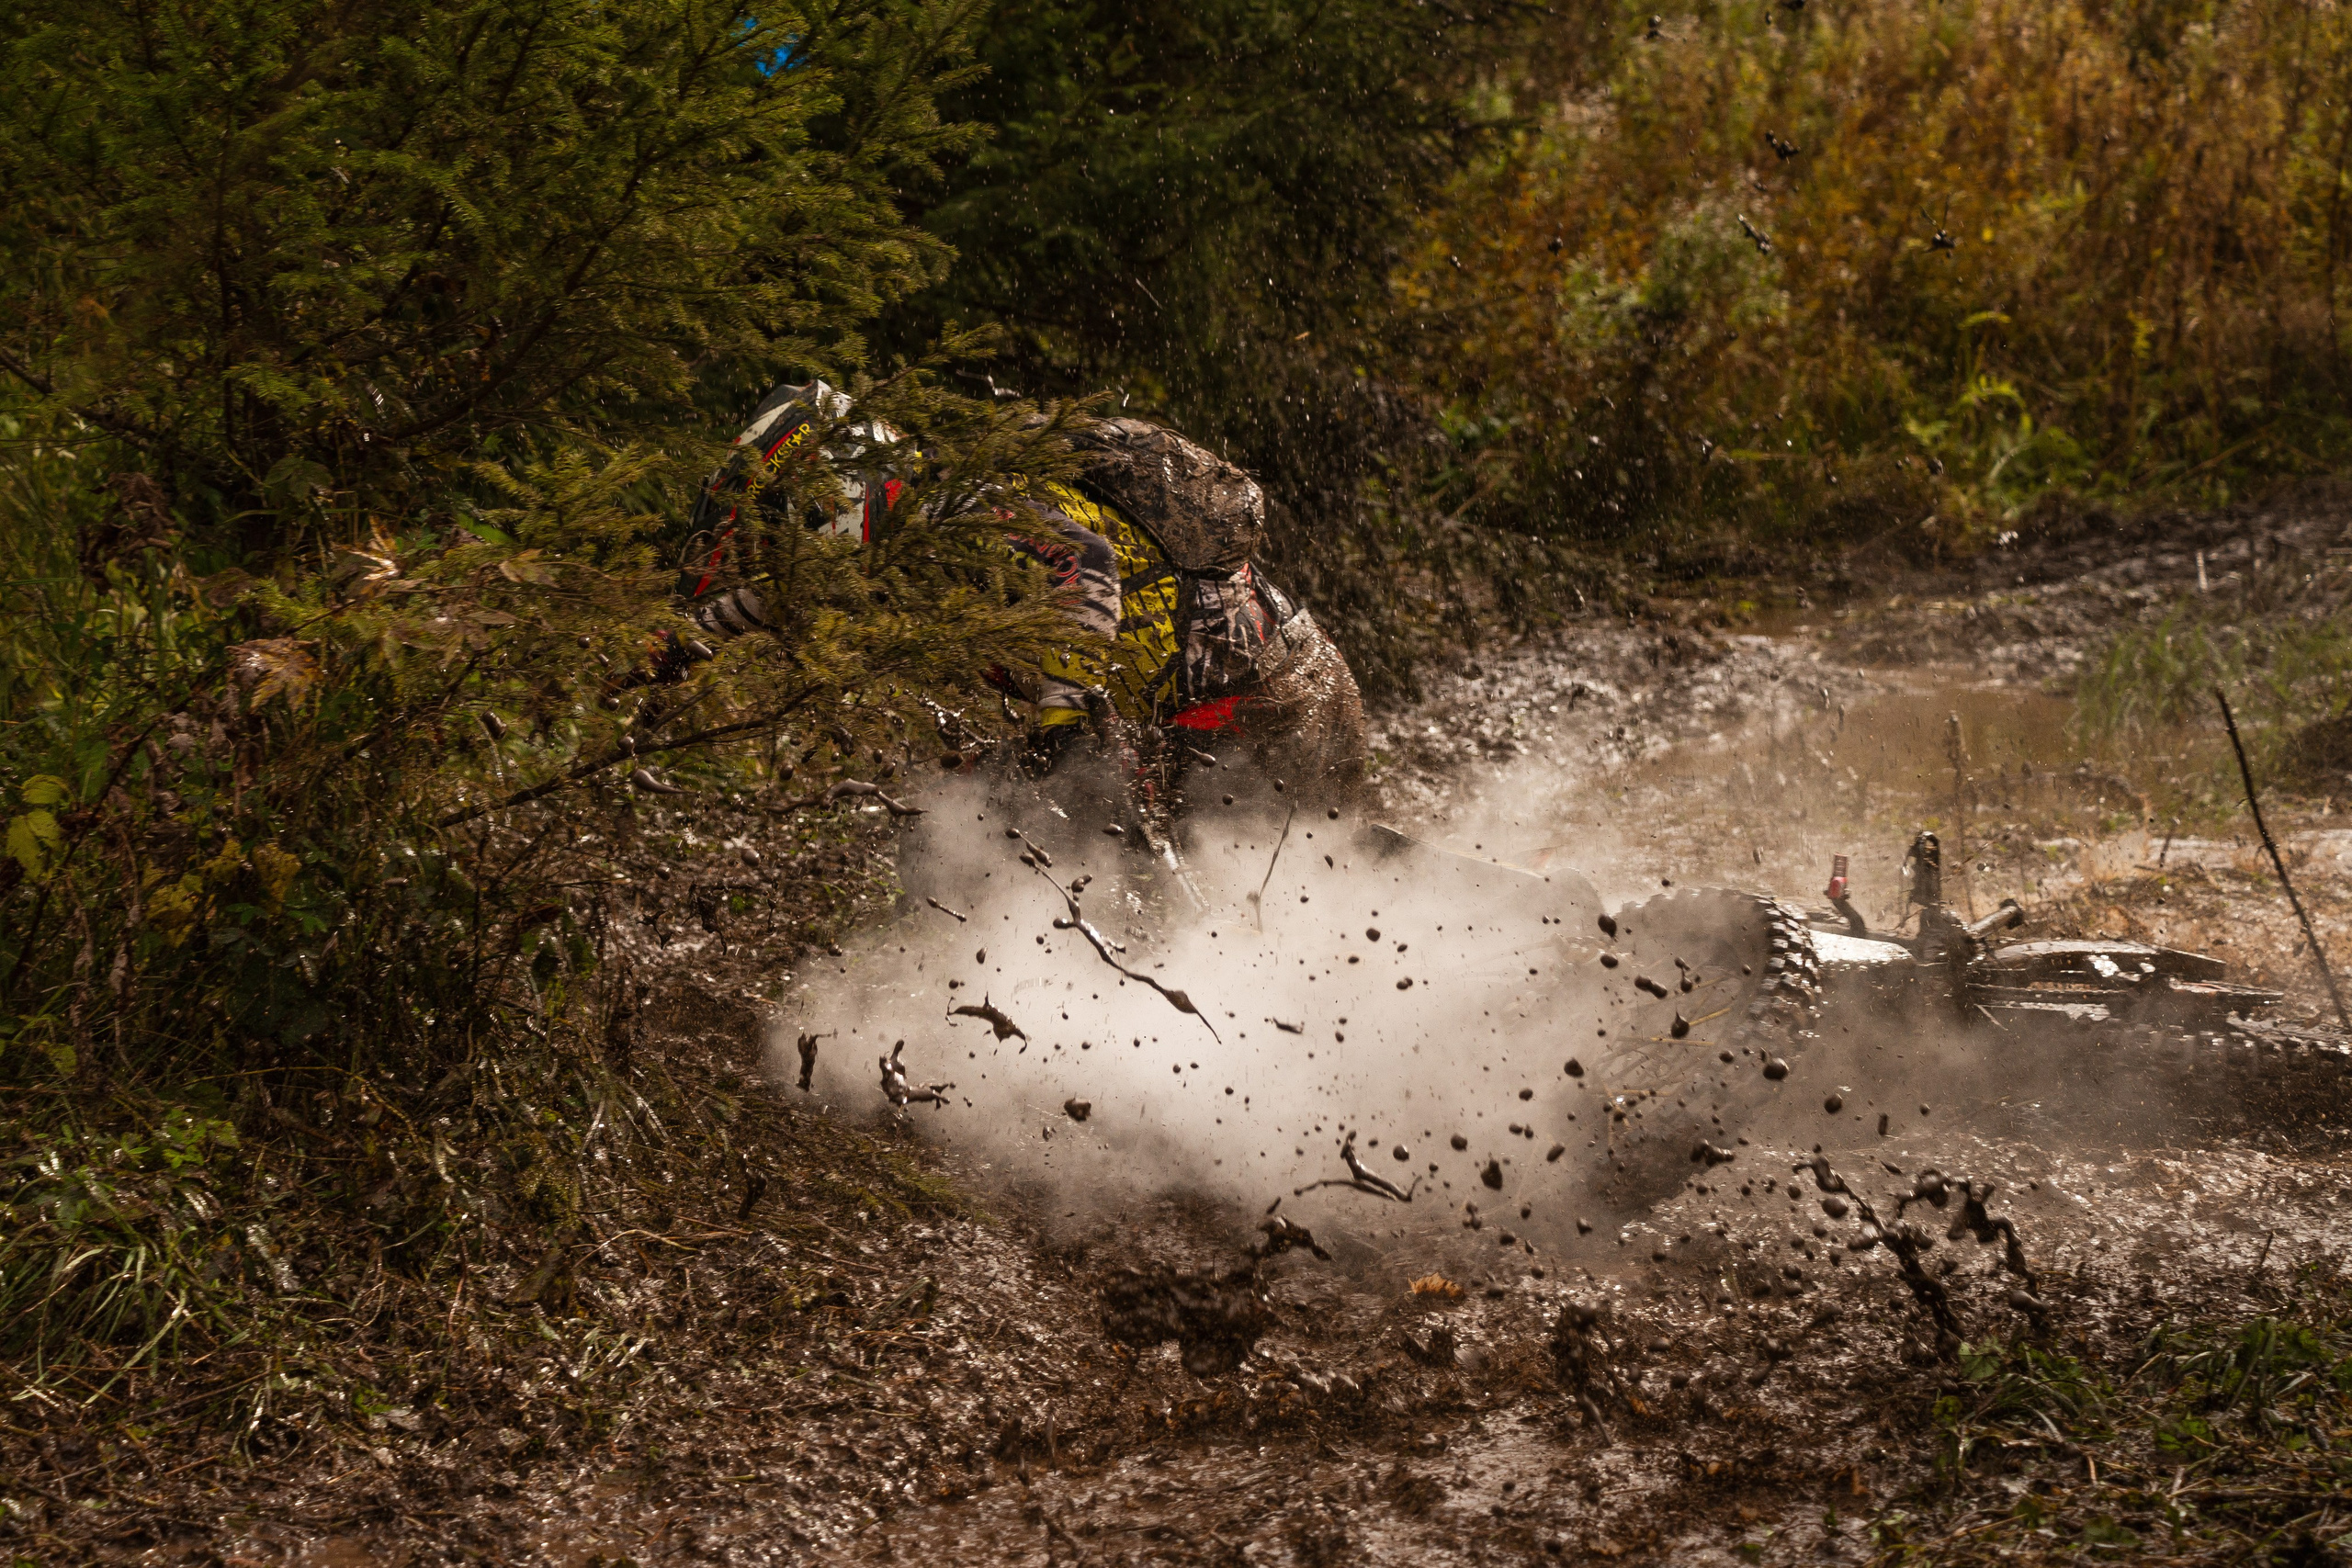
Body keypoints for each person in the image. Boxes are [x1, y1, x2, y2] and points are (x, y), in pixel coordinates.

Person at [643, 379, 1368, 800]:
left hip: (1255, 702)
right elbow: (787, 595)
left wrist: (1066, 726)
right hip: (1249, 691)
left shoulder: (956, 506)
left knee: (1001, 830)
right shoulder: (907, 530)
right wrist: (684, 643)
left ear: (832, 485)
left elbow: (1082, 561)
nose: (783, 549)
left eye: (784, 527)